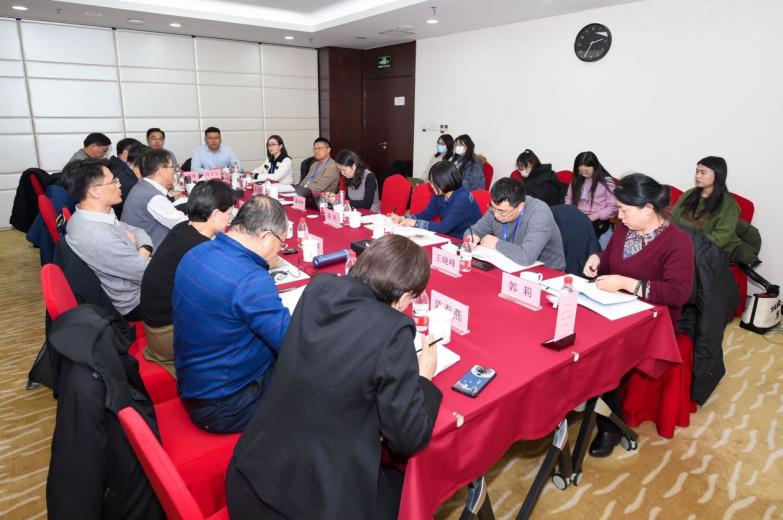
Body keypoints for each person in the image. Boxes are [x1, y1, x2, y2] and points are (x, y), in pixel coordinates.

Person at [226, 235, 442, 520]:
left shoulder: (319, 288)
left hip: (248, 479)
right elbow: (408, 438)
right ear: (404, 298)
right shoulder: (394, 329)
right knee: (413, 490)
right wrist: (423, 380)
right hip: (310, 509)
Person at [582, 173, 693, 457]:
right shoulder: (624, 229)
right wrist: (596, 260)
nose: (619, 217)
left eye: (624, 210)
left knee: (605, 352)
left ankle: (611, 425)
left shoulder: (677, 242)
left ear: (648, 208)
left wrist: (627, 284)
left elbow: (678, 293)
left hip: (653, 320)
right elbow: (608, 261)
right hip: (615, 307)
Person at [173, 195, 291, 433]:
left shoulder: (196, 251)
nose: (281, 249)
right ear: (265, 236)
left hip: (193, 384)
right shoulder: (250, 279)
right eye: (282, 242)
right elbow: (291, 342)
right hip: (226, 406)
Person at [139, 180, 236, 377]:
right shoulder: (199, 250)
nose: (230, 218)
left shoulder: (184, 228)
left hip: (155, 325)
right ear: (215, 215)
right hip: (168, 336)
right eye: (229, 213)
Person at [63, 159, 152, 321]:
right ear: (95, 191)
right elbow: (147, 272)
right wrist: (136, 249)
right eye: (113, 181)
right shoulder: (96, 235)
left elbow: (138, 231)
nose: (119, 184)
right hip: (137, 300)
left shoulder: (89, 214)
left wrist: (143, 248)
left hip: (136, 280)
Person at [466, 177, 565, 270]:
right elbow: (473, 231)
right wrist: (472, 237)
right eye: (493, 207)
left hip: (547, 271)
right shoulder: (497, 208)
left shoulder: (539, 213)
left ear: (520, 206)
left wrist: (496, 244)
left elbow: (526, 256)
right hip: (510, 263)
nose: (496, 215)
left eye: (502, 211)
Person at [670, 156, 743, 259]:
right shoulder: (690, 194)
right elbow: (673, 218)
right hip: (684, 244)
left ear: (718, 175)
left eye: (703, 173)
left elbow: (719, 238)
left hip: (712, 250)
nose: (697, 176)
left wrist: (686, 246)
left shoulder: (729, 205)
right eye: (697, 172)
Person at [391, 161, 481, 239]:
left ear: (445, 181)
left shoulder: (463, 198)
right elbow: (426, 214)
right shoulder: (440, 194)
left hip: (464, 241)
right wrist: (404, 219)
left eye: (434, 182)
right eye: (431, 181)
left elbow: (443, 227)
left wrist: (415, 223)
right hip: (448, 238)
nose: (431, 185)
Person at [121, 149, 187, 249]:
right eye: (172, 167)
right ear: (161, 171)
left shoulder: (143, 186)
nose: (175, 171)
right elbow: (182, 224)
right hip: (153, 251)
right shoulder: (153, 197)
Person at [565, 151, 618, 238]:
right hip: (578, 216)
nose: (583, 174)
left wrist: (594, 216)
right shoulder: (577, 179)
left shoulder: (606, 182)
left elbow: (613, 207)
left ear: (595, 167)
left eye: (587, 171)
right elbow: (569, 198)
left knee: (579, 235)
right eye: (580, 171)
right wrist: (569, 212)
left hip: (597, 218)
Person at [107, 137, 141, 218]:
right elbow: (130, 199)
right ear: (126, 152)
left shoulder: (117, 164)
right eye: (138, 151)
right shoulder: (120, 172)